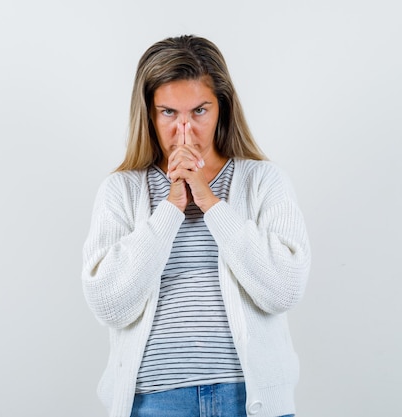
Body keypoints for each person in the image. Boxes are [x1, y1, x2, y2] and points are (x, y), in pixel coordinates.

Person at [81, 34, 310, 417]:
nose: (184, 130)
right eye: (169, 112)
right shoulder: (121, 190)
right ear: (149, 114)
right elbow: (108, 303)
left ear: (222, 108)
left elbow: (284, 289)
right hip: (155, 402)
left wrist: (210, 201)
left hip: (248, 399)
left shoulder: (263, 181)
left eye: (199, 111)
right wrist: (171, 206)